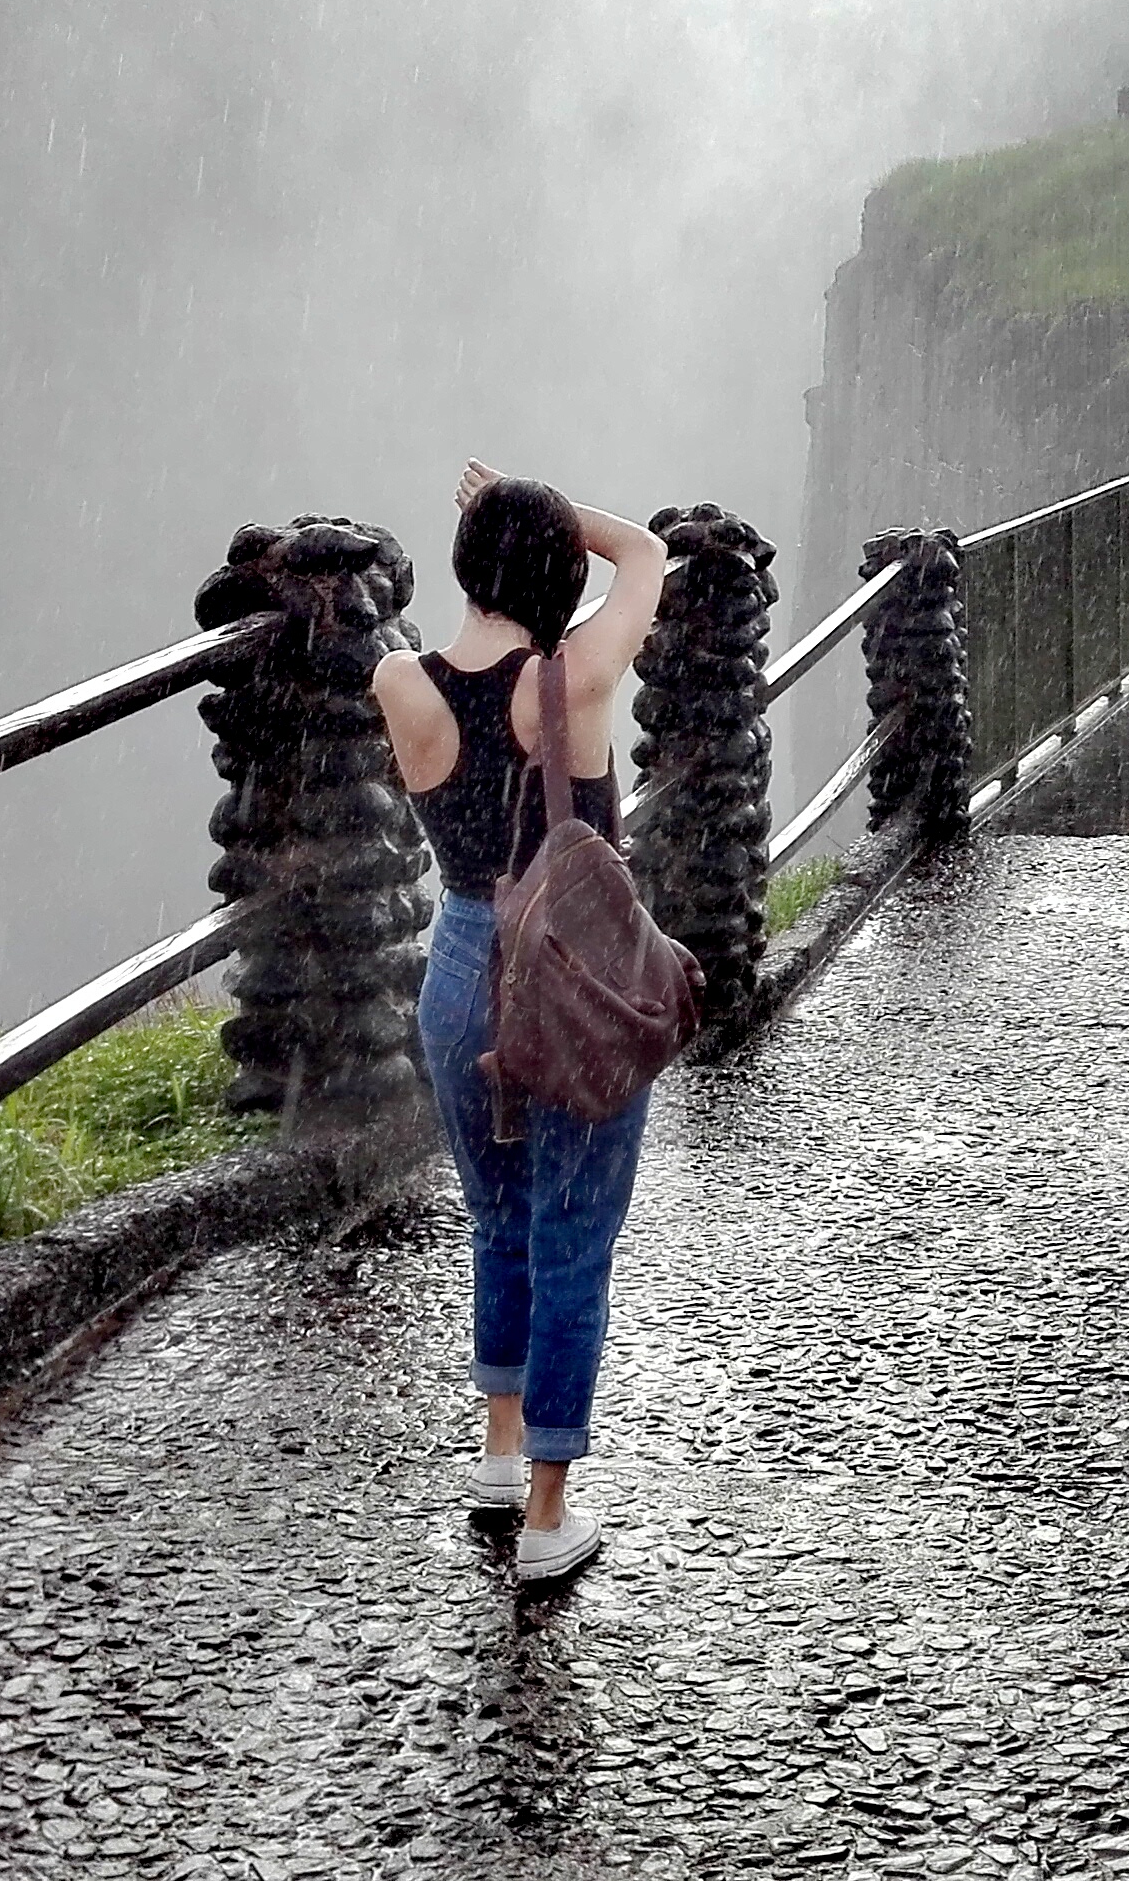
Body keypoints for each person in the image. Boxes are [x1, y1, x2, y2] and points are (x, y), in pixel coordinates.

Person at [370, 461, 669, 1588]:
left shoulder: (402, 683)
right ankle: (549, 1511)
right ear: (553, 573)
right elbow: (644, 552)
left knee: (495, 1218)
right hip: (573, 977)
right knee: (571, 1239)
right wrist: (553, 513)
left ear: (461, 566)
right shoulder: (575, 677)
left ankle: (499, 1454)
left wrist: (499, 524)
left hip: (459, 972)